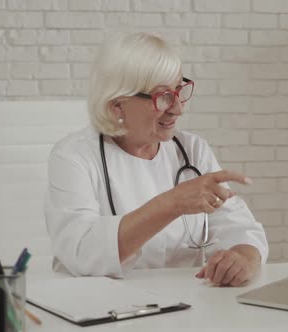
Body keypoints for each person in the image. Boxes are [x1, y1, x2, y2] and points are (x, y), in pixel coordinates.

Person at [44, 32, 268, 287]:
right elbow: (81, 251)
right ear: (118, 105)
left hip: (186, 305)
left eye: (179, 90)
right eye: (162, 96)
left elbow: (240, 229)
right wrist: (172, 204)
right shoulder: (74, 156)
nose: (178, 108)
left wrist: (243, 259)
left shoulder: (193, 150)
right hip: (103, 309)